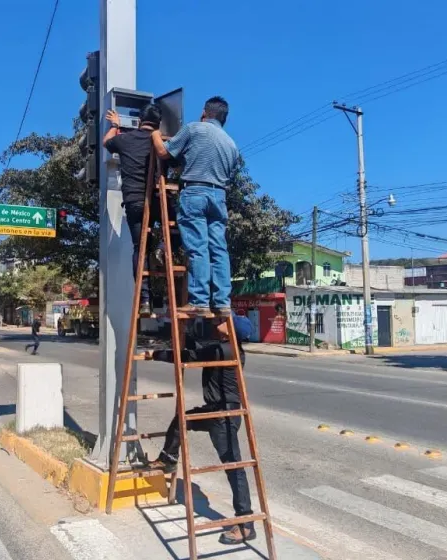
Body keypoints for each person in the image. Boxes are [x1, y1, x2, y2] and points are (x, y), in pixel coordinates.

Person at [144, 318, 256, 545]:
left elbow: (187, 356)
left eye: (225, 322)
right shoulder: (224, 347)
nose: (220, 322)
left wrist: (155, 354)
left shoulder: (223, 350)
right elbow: (197, 348)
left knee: (233, 467)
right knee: (182, 421)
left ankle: (246, 524)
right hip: (214, 411)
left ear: (231, 331)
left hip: (224, 417)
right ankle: (168, 458)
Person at [151, 97, 240, 317]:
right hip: (219, 196)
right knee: (219, 249)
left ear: (204, 113)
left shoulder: (193, 129)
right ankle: (221, 303)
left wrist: (154, 134)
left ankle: (199, 301)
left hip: (195, 192)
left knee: (197, 248)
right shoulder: (231, 145)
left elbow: (164, 153)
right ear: (224, 118)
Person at [104, 104, 178, 316]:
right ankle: (163, 248)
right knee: (178, 229)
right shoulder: (160, 142)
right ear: (158, 125)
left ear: (139, 122)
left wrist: (115, 125)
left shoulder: (125, 139)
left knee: (140, 247)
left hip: (134, 200)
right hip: (159, 199)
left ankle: (145, 300)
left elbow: (106, 142)